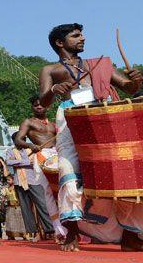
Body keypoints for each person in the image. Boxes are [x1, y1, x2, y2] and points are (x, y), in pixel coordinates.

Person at [38, 23, 143, 252]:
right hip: (69, 119)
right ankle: (72, 232)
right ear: (60, 42)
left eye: (82, 34)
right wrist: (53, 90)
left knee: (119, 176)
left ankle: (129, 235)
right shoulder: (50, 70)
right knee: (68, 172)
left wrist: (136, 80)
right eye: (76, 36)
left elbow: (127, 87)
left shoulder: (100, 64)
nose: (82, 38)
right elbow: (43, 101)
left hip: (102, 118)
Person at [14, 95, 66, 239]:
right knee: (48, 193)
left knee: (64, 191)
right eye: (35, 105)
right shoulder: (28, 122)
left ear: (48, 107)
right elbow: (18, 140)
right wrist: (30, 145)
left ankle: (70, 227)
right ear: (32, 107)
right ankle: (58, 230)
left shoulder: (54, 123)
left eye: (41, 105)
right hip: (42, 156)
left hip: (58, 156)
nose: (39, 107)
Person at [3, 175, 27, 240]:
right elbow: (3, 197)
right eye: (7, 180)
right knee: (10, 222)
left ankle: (24, 235)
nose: (8, 181)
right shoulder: (6, 188)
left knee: (20, 221)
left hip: (18, 206)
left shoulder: (17, 187)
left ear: (13, 180)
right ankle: (11, 235)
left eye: (9, 180)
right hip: (9, 207)